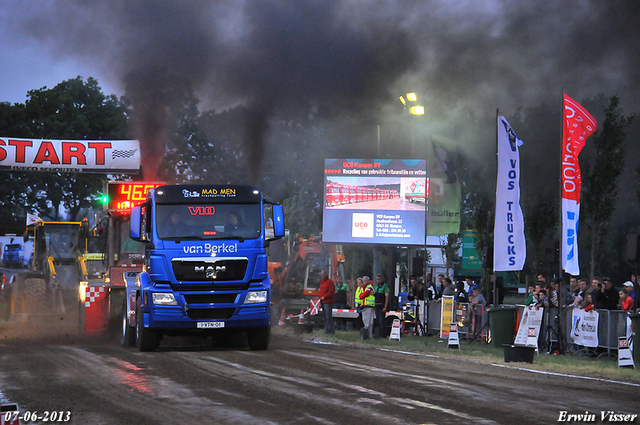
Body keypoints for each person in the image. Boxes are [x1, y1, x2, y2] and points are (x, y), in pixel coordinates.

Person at [318, 270, 335, 334]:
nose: (322, 275)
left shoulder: (330, 282)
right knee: (325, 317)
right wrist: (319, 297)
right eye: (322, 274)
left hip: (328, 302)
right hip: (323, 301)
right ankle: (326, 330)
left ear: (326, 274)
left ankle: (330, 330)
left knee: (328, 316)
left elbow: (331, 291)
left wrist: (324, 297)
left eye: (323, 274)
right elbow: (321, 292)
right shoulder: (322, 282)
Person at [373, 274, 390, 338]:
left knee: (381, 321)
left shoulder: (385, 286)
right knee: (377, 321)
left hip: (382, 306)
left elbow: (387, 297)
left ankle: (383, 335)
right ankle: (378, 334)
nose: (378, 280)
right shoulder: (377, 286)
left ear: (382, 279)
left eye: (379, 279)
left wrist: (385, 306)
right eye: (377, 279)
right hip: (377, 306)